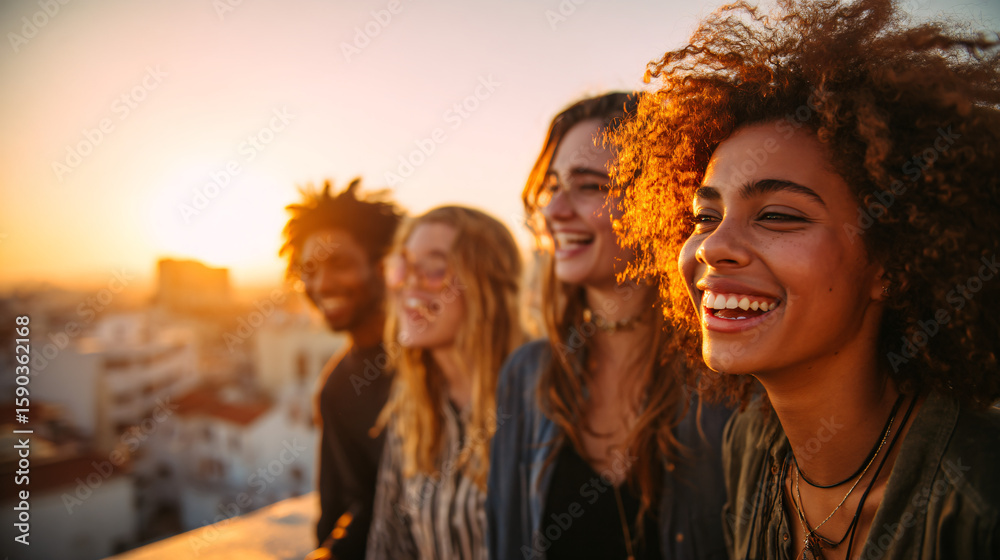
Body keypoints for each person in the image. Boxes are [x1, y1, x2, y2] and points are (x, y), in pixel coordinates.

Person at [611, 0, 1000, 558]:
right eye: (705, 216)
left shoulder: (981, 500)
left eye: (778, 216)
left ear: (893, 263)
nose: (714, 246)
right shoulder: (749, 444)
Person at [487, 93, 732, 560]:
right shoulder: (528, 376)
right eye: (553, 186)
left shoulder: (723, 379)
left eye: (589, 187)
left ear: (658, 201)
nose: (555, 211)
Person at [366, 206, 524, 560]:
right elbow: (389, 546)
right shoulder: (412, 409)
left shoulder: (539, 399)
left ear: (485, 285)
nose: (409, 282)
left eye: (435, 267)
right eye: (402, 265)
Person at [280, 178, 403, 560]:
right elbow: (351, 504)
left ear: (384, 265)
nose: (322, 284)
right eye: (309, 270)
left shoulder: (440, 359)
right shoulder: (338, 387)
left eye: (339, 264)